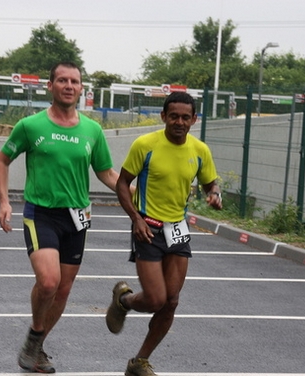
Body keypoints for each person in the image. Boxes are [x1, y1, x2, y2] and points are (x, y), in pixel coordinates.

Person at [0, 61, 123, 373]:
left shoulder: (92, 130)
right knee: (49, 282)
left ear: (81, 89)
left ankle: (34, 346)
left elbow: (105, 172)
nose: (68, 85)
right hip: (41, 214)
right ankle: (36, 336)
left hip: (77, 217)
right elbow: (2, 160)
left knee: (63, 290)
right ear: (50, 86)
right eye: (61, 80)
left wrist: (135, 196)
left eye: (74, 81)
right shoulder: (31, 126)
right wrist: (4, 200)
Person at [106, 91, 223, 376]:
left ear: (194, 119)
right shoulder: (145, 145)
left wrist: (215, 193)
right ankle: (124, 301)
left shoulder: (199, 150)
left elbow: (210, 181)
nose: (179, 122)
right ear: (163, 117)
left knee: (171, 301)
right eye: (174, 116)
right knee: (156, 299)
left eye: (185, 117)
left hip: (178, 229)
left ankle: (139, 362)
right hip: (148, 227)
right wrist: (135, 218)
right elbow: (123, 184)